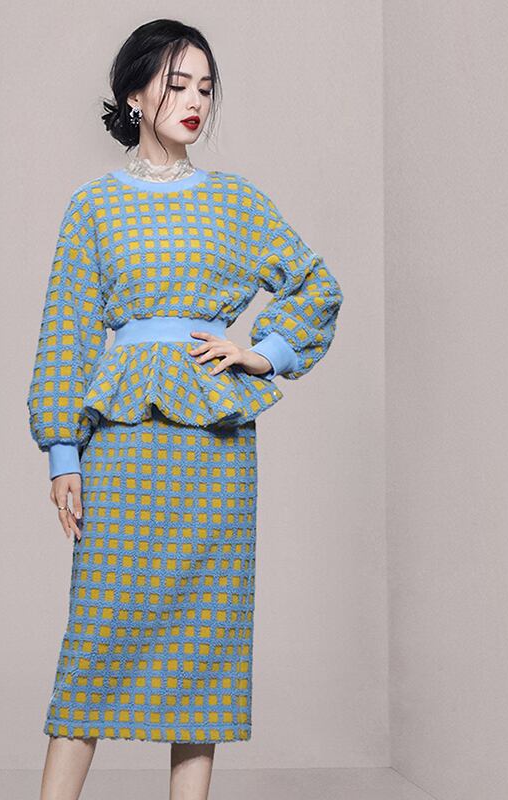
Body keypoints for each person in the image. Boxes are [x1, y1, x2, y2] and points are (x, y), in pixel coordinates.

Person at [26, 18, 344, 800]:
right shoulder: (94, 208)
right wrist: (63, 455)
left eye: (205, 87)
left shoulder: (237, 203)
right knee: (95, 643)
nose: (195, 100)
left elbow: (316, 285)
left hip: (215, 453)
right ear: (135, 94)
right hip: (123, 448)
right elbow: (66, 333)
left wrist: (263, 352)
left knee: (204, 656)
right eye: (177, 84)